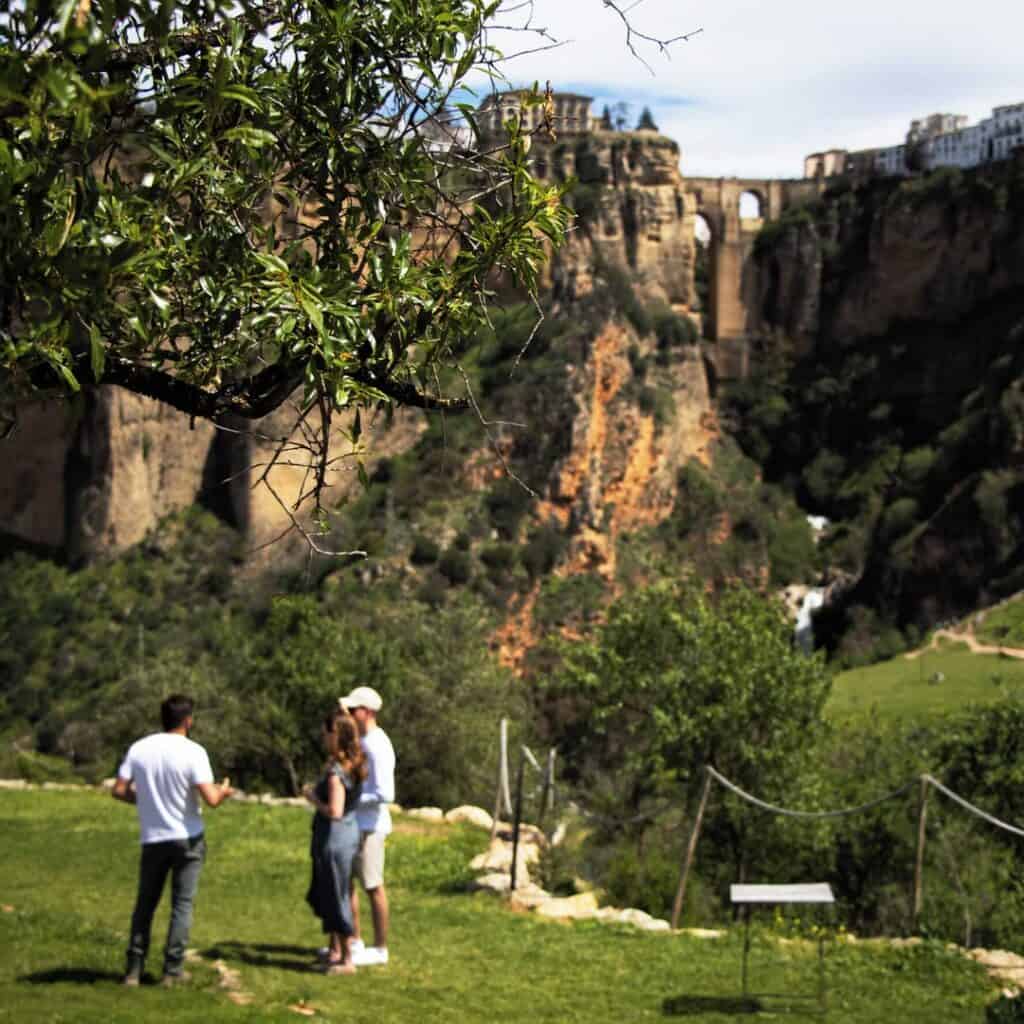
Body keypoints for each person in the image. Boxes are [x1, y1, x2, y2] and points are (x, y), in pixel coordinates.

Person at [113, 694, 234, 987]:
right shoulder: (194, 752)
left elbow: (118, 790)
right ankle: (172, 969)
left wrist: (144, 802)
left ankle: (133, 969)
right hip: (187, 837)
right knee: (182, 904)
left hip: (153, 837)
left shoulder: (140, 749)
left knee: (146, 904)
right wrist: (225, 791)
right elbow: (211, 798)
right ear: (188, 720)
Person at [304, 707, 366, 975]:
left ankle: (346, 959)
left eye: (326, 733)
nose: (323, 737)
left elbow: (335, 812)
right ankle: (336, 951)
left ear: (336, 735)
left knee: (337, 894)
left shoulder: (336, 773)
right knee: (335, 891)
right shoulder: (355, 765)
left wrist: (312, 798)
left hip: (336, 838)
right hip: (349, 834)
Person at [339, 685, 395, 967]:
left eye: (353, 710)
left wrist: (352, 798)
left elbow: (386, 793)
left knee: (373, 885)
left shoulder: (378, 744)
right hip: (355, 822)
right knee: (348, 883)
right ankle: (355, 941)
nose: (348, 714)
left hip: (370, 826)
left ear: (367, 712)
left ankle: (381, 947)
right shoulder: (362, 740)